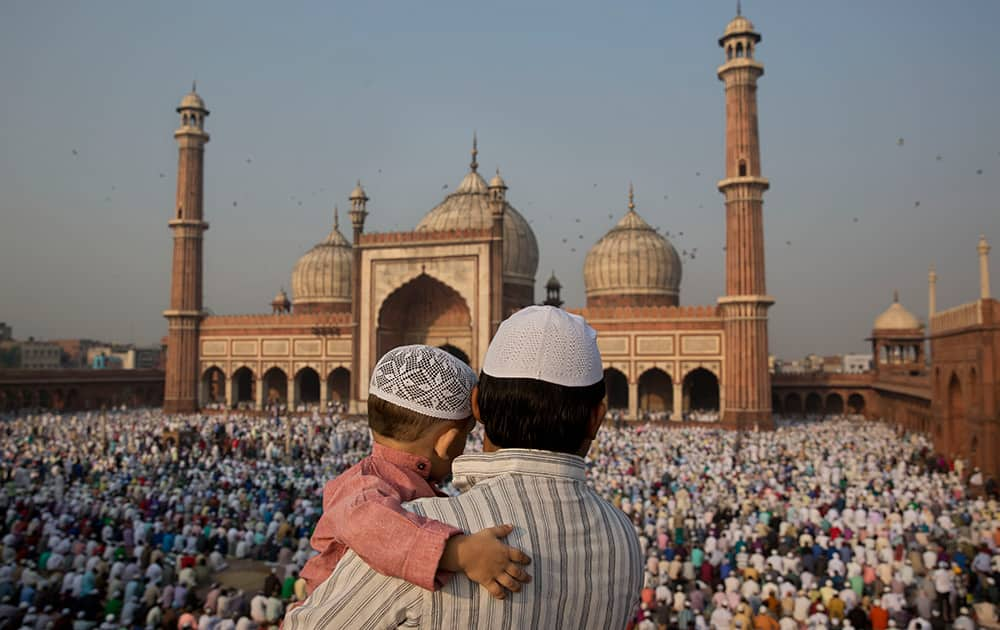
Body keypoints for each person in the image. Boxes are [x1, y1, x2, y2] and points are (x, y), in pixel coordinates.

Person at [285, 305, 644, 629]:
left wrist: (452, 551)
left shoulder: (421, 524)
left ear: (477, 405)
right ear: (598, 417)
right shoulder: (624, 539)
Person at [299, 345, 532, 599]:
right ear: (448, 441)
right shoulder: (365, 486)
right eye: (465, 437)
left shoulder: (393, 480)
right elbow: (368, 524)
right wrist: (459, 552)